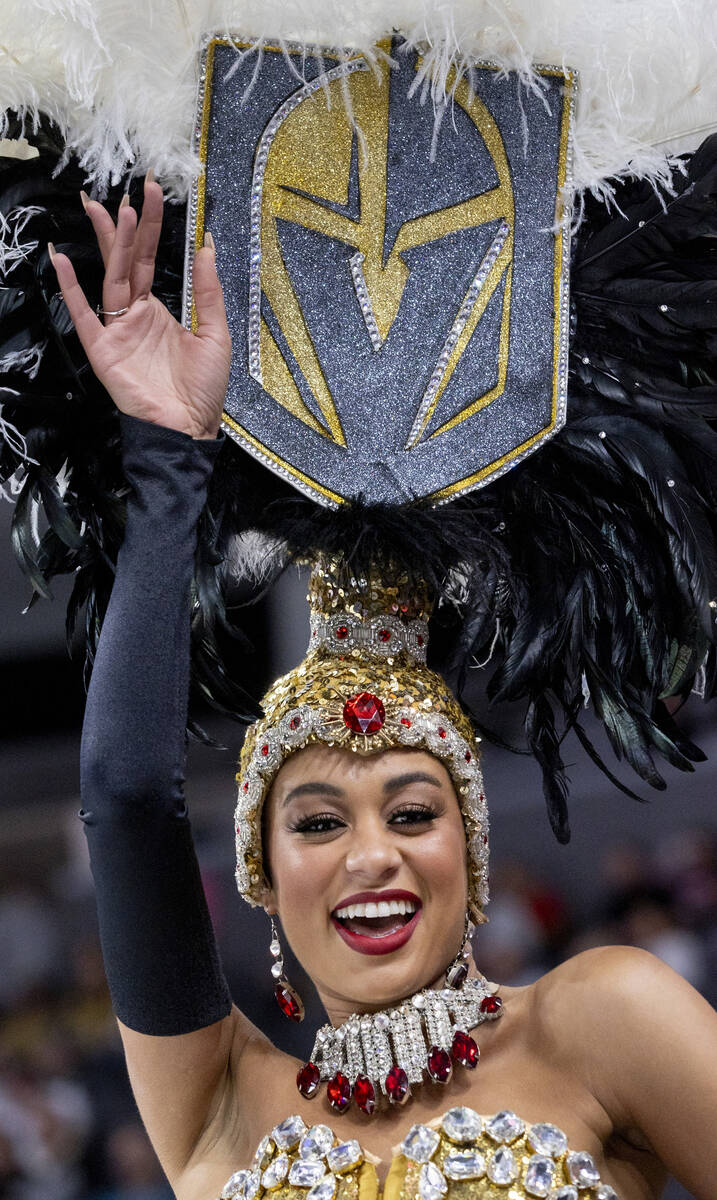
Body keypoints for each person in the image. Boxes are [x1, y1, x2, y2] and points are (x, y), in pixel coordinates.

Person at [46, 168, 717, 1200]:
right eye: (316, 824)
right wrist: (170, 455)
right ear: (260, 873)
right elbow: (128, 797)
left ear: (473, 848)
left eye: (412, 812)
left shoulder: (603, 1021)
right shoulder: (219, 1102)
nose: (372, 857)